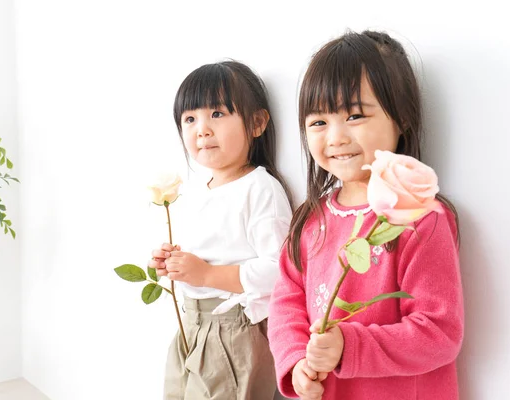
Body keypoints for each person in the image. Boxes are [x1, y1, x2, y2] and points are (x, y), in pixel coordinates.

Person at [268, 30, 463, 400]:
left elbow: (439, 333)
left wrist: (349, 346)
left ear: (401, 118)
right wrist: (296, 362)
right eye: (319, 122)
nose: (336, 136)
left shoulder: (420, 218)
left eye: (354, 115)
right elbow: (285, 300)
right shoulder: (310, 220)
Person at [149, 60, 293, 400]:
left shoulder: (260, 189)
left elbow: (279, 271)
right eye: (190, 118)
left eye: (217, 114)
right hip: (193, 322)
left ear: (256, 123)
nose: (201, 129)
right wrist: (175, 261)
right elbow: (208, 252)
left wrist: (207, 274)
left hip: (234, 329)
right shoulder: (201, 187)